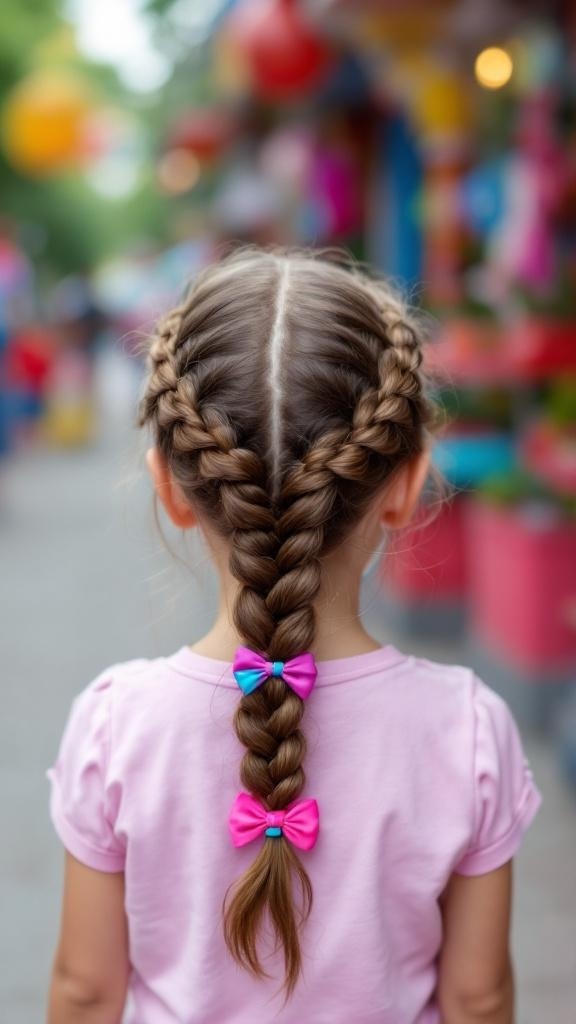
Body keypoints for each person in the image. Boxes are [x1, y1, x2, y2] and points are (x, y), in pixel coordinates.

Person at [47, 248, 541, 1024]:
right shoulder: (469, 729)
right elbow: (477, 998)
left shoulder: (116, 723)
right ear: (408, 485)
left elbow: (84, 990)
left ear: (170, 486)